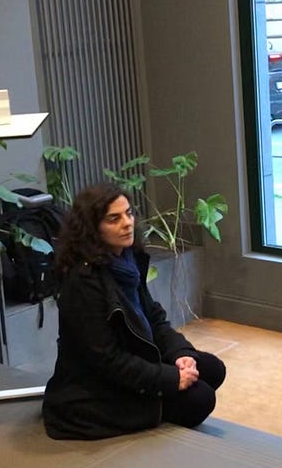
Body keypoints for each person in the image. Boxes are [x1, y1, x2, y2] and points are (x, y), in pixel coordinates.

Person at [42, 183, 226, 440]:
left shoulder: (126, 261)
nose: (127, 223)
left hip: (134, 356)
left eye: (129, 214)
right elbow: (107, 360)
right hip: (95, 389)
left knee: (212, 368)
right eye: (114, 219)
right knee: (200, 400)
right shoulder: (82, 283)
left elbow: (154, 316)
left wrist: (180, 354)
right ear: (92, 228)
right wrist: (168, 379)